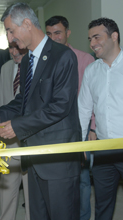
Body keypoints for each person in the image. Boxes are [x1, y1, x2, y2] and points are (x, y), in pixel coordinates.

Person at [0, 3, 82, 220]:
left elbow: (60, 106)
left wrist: (17, 127)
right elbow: (24, 99)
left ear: (28, 24)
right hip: (33, 159)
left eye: (11, 30)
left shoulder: (63, 56)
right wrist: (1, 114)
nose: (10, 38)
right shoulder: (27, 60)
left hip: (58, 163)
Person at [78, 17, 123, 220]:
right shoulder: (92, 71)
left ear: (114, 36)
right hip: (102, 151)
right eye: (90, 38)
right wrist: (81, 145)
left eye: (97, 37)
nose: (92, 43)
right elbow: (83, 109)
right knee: (102, 205)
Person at [45, 15, 95, 220]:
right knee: (57, 181)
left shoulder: (85, 60)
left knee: (82, 181)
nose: (53, 38)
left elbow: (94, 98)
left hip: (80, 129)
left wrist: (92, 129)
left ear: (68, 33)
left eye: (57, 33)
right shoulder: (45, 60)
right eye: (49, 34)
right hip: (53, 130)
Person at [0, 42, 29, 220]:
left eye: (18, 48)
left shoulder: (35, 67)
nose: (14, 52)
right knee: (7, 187)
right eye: (11, 47)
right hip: (7, 140)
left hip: (29, 137)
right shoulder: (5, 68)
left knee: (31, 192)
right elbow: (3, 100)